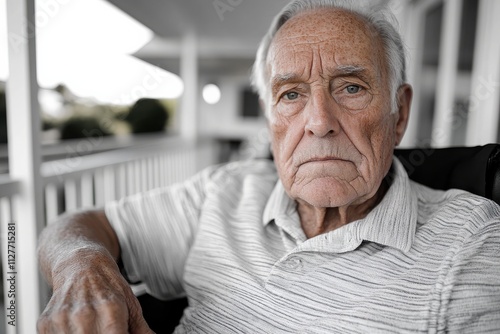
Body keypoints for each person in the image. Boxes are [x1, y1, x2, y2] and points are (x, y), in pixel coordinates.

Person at [37, 0, 500, 333]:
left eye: (351, 87)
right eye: (292, 94)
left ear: (399, 114)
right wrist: (81, 263)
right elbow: (80, 224)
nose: (319, 122)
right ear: (270, 120)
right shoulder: (225, 192)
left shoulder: (472, 247)